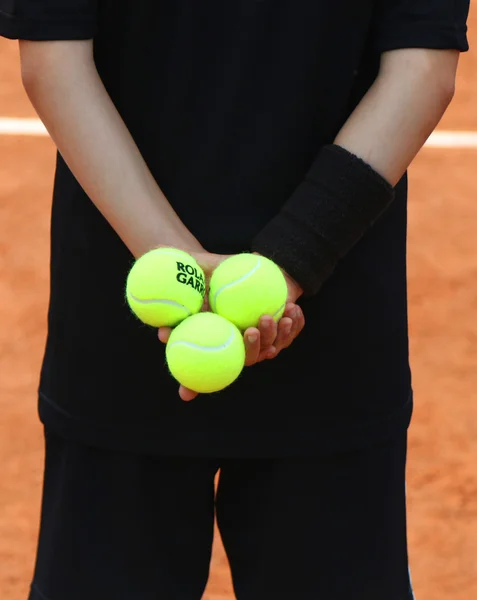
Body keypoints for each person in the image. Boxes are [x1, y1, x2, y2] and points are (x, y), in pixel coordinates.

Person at [0, 1, 470, 598]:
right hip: (328, 312)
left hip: (132, 317)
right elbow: (422, 66)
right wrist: (284, 269)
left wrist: (180, 274)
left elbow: (54, 58)